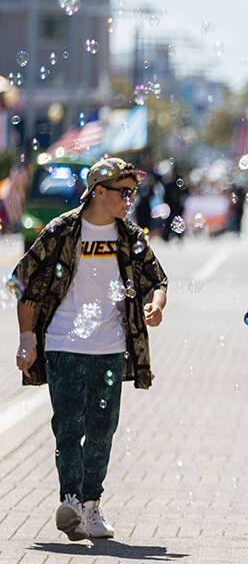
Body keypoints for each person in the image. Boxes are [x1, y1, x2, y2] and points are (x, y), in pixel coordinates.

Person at [12, 157, 167, 541]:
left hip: (111, 348)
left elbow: (157, 279)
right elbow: (23, 283)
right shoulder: (63, 231)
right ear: (99, 191)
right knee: (68, 425)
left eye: (133, 192)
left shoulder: (130, 236)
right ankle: (70, 500)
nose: (130, 199)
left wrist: (157, 304)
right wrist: (27, 338)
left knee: (102, 428)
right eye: (124, 192)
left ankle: (91, 505)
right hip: (63, 344)